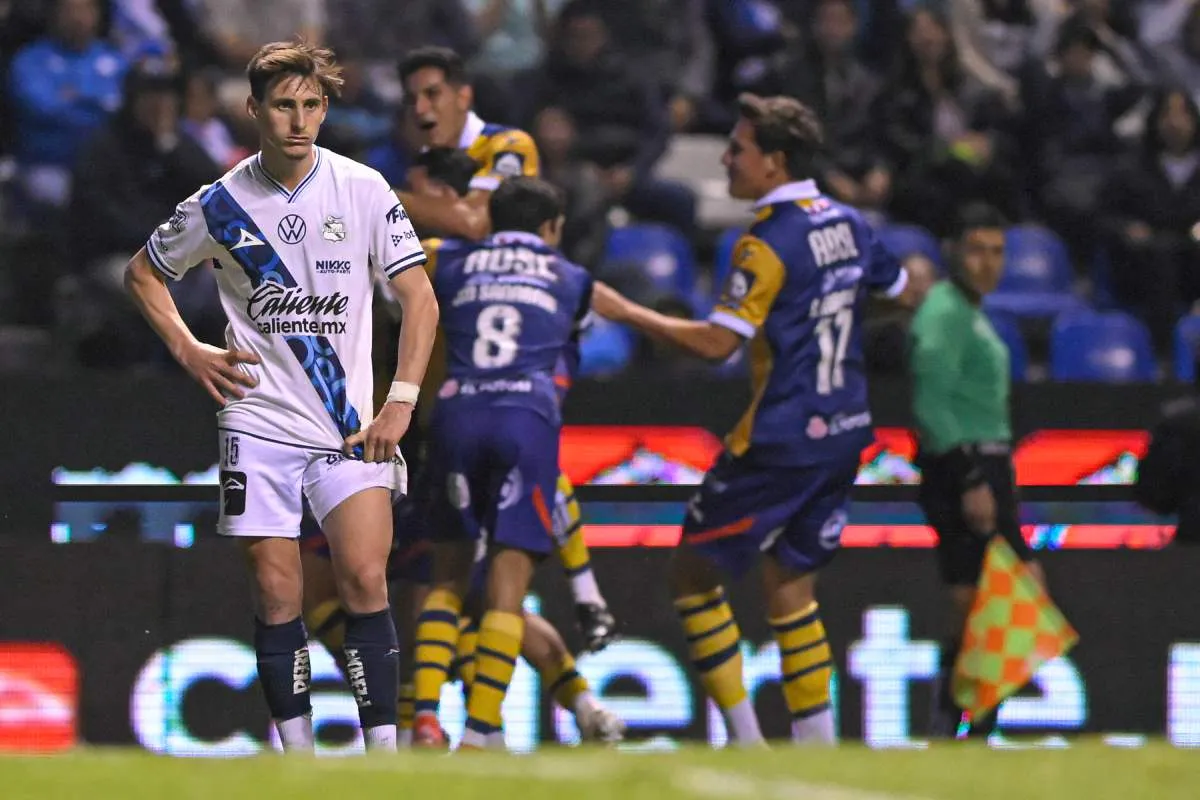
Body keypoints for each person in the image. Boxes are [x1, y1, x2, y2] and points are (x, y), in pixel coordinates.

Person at [123, 40, 439, 752]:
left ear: (325, 109)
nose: (298, 120)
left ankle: (384, 761)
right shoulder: (221, 203)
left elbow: (419, 299)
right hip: (257, 419)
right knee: (277, 594)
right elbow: (143, 273)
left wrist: (402, 401)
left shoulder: (362, 188)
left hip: (348, 422)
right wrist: (186, 345)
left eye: (311, 105)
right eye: (283, 105)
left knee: (364, 577)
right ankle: (298, 763)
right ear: (254, 110)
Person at [591, 93, 913, 746]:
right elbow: (906, 293)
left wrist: (630, 314)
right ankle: (818, 750)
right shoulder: (851, 224)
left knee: (691, 578)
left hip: (779, 441)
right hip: (846, 431)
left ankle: (745, 739)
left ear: (775, 161)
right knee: (790, 585)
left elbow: (718, 345)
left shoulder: (765, 243)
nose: (726, 158)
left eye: (738, 148)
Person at [301, 150, 622, 748]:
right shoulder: (445, 262)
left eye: (427, 194)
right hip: (383, 440)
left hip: (427, 442)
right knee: (330, 581)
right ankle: (439, 715)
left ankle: (510, 712)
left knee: (455, 591)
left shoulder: (446, 263)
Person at [396, 46, 617, 656]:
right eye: (413, 96)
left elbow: (473, 222)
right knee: (447, 572)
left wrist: (374, 198)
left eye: (434, 92)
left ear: (464, 95)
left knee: (484, 555)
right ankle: (445, 719)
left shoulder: (507, 145)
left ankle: (587, 593)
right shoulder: (423, 163)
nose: (422, 107)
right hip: (445, 354)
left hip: (519, 335)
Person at [418, 176, 597, 750]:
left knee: (445, 578)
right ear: (553, 228)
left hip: (455, 413)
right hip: (525, 418)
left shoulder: (445, 257)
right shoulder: (572, 278)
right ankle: (478, 733)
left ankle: (423, 718)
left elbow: (386, 276)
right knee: (506, 591)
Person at [907, 202, 1046, 737]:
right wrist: (970, 479)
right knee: (992, 601)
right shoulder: (943, 312)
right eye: (977, 251)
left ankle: (964, 725)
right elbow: (931, 405)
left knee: (994, 603)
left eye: (998, 252)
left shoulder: (966, 311)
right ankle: (961, 725)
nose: (989, 263)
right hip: (963, 466)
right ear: (955, 254)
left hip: (987, 463)